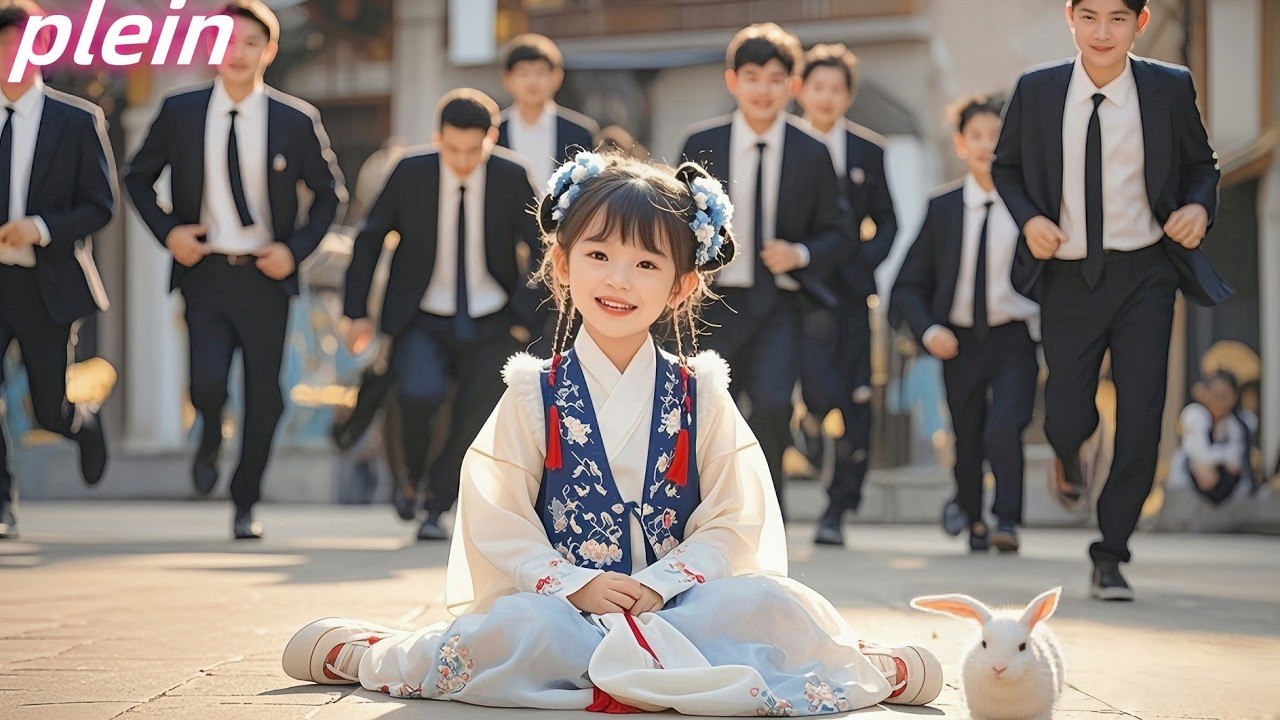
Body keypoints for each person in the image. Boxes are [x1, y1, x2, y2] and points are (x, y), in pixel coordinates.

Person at [282, 152, 942, 713]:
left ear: (683, 286)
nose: (618, 280)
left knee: (770, 603)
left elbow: (734, 518)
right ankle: (378, 654)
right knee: (523, 623)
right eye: (598, 254)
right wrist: (572, 583)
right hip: (567, 605)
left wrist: (663, 581)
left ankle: (862, 662)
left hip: (681, 601)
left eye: (646, 265)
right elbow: (499, 516)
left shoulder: (701, 391)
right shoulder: (531, 391)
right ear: (562, 265)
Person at [993, 0, 1229, 599]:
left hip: (1146, 273)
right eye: (1090, 16)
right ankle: (1070, 457)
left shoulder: (1169, 87)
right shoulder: (1038, 89)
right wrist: (1029, 220)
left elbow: (1203, 165)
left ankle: (1111, 552)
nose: (1103, 32)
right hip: (1068, 275)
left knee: (1143, 413)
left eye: (1118, 19)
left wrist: (1198, 207)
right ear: (1069, 18)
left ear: (1141, 23)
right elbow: (1007, 167)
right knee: (1067, 412)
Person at [124, 0, 344, 539]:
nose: (238, 53)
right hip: (206, 272)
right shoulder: (181, 111)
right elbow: (137, 177)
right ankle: (207, 434)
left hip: (266, 274)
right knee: (206, 381)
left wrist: (293, 251)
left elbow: (328, 194)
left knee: (264, 393)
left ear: (268, 50)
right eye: (226, 41)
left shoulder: (295, 119)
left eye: (250, 42)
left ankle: (245, 501)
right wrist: (171, 232)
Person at [342, 88, 542, 541]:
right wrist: (356, 313)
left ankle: (436, 503)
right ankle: (410, 477)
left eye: (475, 150)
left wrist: (524, 314)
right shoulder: (411, 172)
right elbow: (370, 237)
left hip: (494, 318)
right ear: (437, 137)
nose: (464, 160)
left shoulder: (512, 175)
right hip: (421, 316)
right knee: (418, 394)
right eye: (452, 149)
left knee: (475, 420)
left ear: (492, 137)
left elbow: (545, 249)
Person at [679, 23, 851, 517]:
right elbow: (674, 221)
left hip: (780, 305)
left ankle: (767, 517)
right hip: (712, 303)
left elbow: (840, 232)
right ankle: (701, 515)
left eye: (776, 78)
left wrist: (799, 253)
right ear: (732, 80)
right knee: (703, 412)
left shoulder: (812, 151)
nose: (763, 89)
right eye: (752, 76)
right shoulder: (701, 142)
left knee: (774, 405)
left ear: (793, 86)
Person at [891, 96, 1040, 554]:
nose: (987, 146)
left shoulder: (1032, 205)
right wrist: (929, 330)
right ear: (961, 144)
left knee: (1005, 426)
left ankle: (1007, 521)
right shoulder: (943, 208)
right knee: (968, 434)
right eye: (977, 136)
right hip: (957, 341)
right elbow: (907, 286)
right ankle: (974, 518)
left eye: (998, 136)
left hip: (1014, 336)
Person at [0, 0, 114, 539]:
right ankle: (3, 502)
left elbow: (101, 206)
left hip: (44, 284)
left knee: (47, 406)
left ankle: (81, 425)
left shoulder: (77, 120)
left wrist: (40, 227)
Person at [795, 43, 898, 545]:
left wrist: (864, 262)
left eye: (837, 89)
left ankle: (838, 507)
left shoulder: (868, 150)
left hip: (853, 292)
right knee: (818, 387)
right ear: (802, 91)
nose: (827, 97)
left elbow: (888, 220)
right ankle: (810, 425)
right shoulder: (787, 145)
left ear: (848, 95)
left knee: (858, 400)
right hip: (802, 291)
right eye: (818, 87)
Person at [496, 33, 598, 188]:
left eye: (540, 73)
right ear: (508, 79)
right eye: (523, 73)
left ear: (557, 77)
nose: (532, 81)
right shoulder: (494, 130)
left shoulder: (580, 132)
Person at [1169, 371, 1254, 506]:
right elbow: (1199, 454)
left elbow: (1236, 460)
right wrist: (1218, 459)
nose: (1219, 402)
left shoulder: (1241, 422)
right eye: (1215, 395)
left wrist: (1216, 460)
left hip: (1227, 485)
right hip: (1191, 479)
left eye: (1224, 396)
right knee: (1203, 471)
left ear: (1234, 397)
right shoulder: (1195, 415)